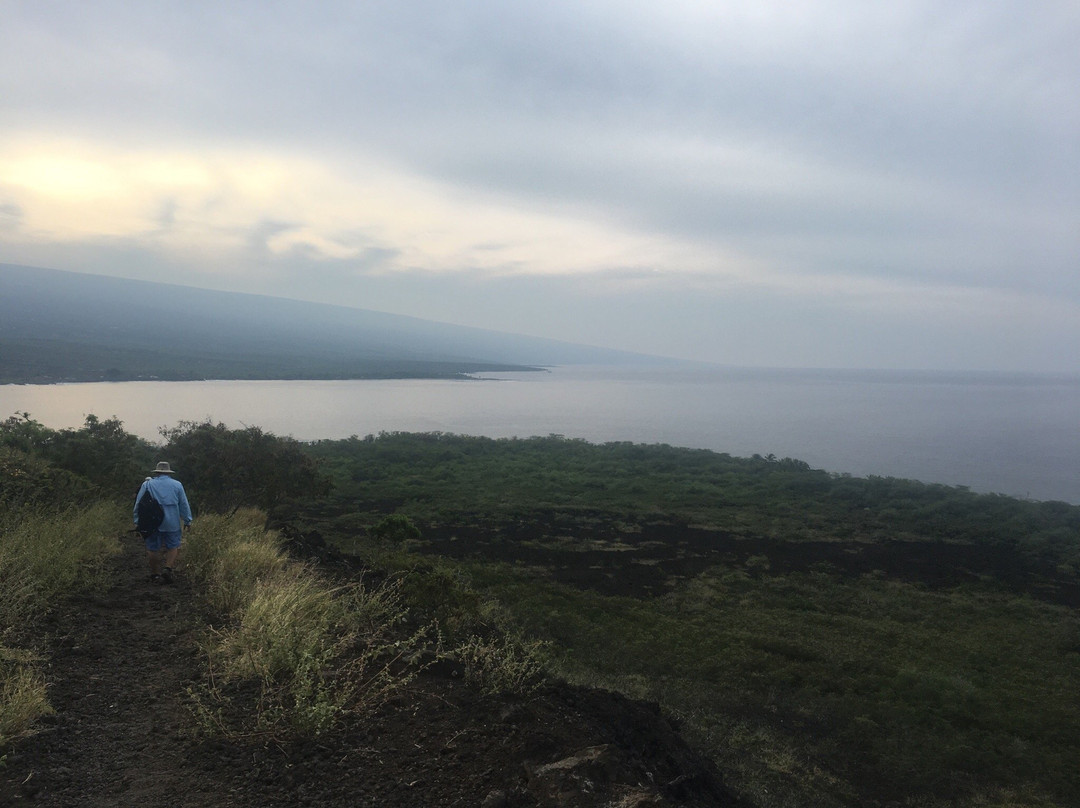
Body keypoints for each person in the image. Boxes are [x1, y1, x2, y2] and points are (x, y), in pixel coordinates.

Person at [134, 461, 193, 584]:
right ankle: (168, 568)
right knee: (173, 546)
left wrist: (137, 521)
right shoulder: (177, 485)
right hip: (172, 522)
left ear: (157, 472)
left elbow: (139, 504)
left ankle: (155, 574)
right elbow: (183, 504)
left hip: (152, 523)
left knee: (152, 549)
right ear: (168, 472)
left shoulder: (147, 484)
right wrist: (187, 520)